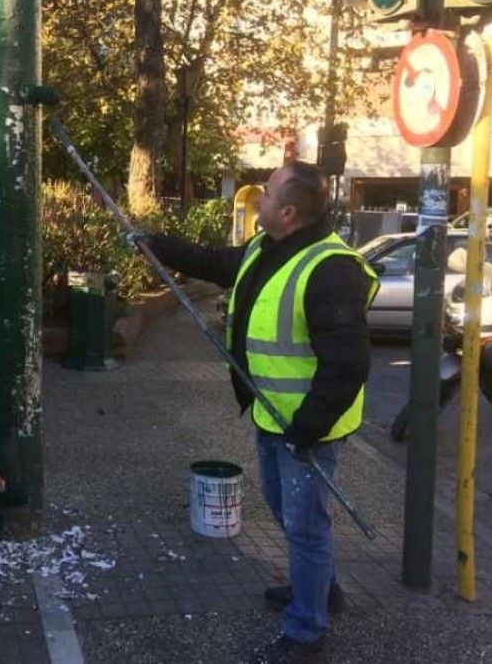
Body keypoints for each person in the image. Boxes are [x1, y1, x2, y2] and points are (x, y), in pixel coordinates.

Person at [142, 161, 378, 663]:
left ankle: (307, 628)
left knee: (305, 525)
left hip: (306, 428)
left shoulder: (330, 270)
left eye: (267, 194)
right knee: (289, 514)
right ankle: (321, 588)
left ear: (288, 211)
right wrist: (156, 244)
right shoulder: (265, 248)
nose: (259, 200)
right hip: (273, 415)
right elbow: (215, 261)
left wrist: (307, 430)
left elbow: (349, 364)